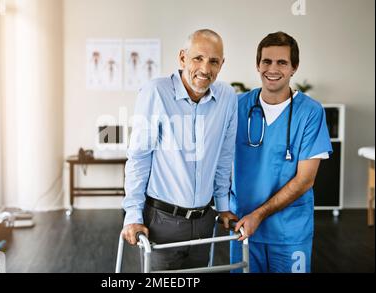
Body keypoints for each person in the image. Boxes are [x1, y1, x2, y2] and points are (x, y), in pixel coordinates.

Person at [121, 29, 238, 271]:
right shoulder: (156, 92)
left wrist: (223, 206)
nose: (205, 69)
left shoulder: (227, 97)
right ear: (183, 58)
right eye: (198, 58)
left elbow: (224, 158)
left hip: (204, 222)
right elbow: (139, 157)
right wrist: (133, 216)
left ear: (222, 64)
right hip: (162, 222)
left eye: (214, 61)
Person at [230, 31, 333, 273]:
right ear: (258, 65)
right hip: (243, 227)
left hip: (289, 232)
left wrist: (260, 214)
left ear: (293, 68)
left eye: (282, 62)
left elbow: (305, 179)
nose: (272, 69)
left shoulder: (310, 112)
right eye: (266, 61)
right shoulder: (236, 107)